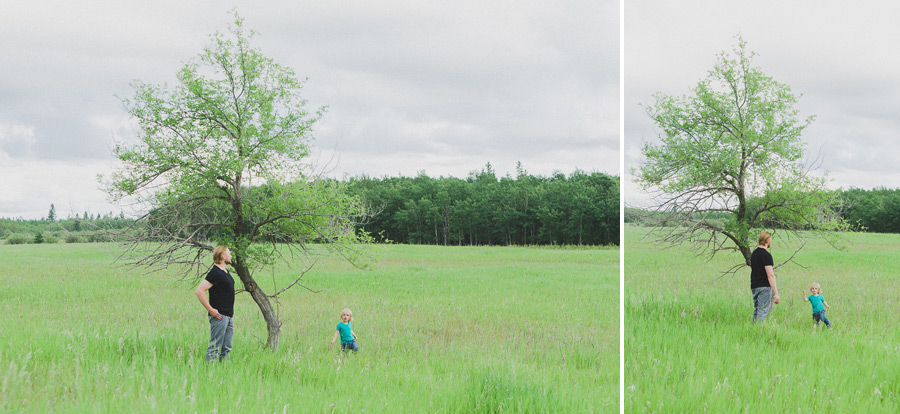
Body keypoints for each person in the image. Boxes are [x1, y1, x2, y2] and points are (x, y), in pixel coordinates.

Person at [194, 246, 235, 362]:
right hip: (219, 316)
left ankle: (224, 372)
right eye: (229, 253)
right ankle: (209, 373)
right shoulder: (215, 272)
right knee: (215, 347)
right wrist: (211, 309)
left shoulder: (225, 272)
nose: (231, 256)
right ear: (223, 256)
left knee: (226, 347)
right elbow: (199, 290)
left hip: (228, 315)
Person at [750, 231, 780, 322]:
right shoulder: (766, 255)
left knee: (757, 310)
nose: (771, 241)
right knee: (763, 311)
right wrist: (776, 293)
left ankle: (753, 329)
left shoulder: (754, 253)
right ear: (767, 240)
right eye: (770, 239)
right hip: (764, 287)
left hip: (754, 286)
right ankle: (759, 331)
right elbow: (770, 275)